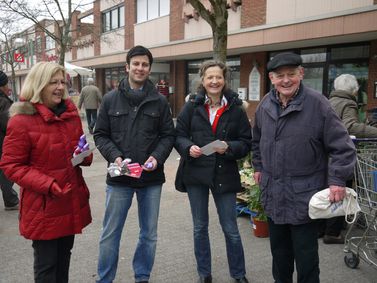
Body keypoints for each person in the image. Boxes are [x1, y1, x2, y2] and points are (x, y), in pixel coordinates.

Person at [251, 52, 356, 283]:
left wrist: (337, 179)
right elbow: (256, 141)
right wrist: (258, 166)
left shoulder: (318, 104)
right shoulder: (264, 106)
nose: (286, 80)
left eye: (291, 74)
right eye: (280, 76)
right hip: (274, 195)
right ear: (271, 78)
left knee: (307, 260)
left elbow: (343, 147)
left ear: (301, 73)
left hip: (304, 197)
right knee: (280, 257)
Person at [0, 62, 93, 283]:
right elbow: (11, 165)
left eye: (63, 82)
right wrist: (48, 184)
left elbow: (81, 153)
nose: (60, 87)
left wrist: (84, 154)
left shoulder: (71, 117)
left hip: (70, 201)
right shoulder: (21, 121)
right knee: (47, 267)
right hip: (43, 206)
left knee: (63, 261)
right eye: (54, 82)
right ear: (39, 84)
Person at [94, 45, 175, 283]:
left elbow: (168, 135)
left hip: (150, 179)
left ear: (150, 69)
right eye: (136, 63)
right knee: (110, 234)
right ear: (127, 67)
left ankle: (142, 277)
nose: (140, 68)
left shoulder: (160, 102)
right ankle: (104, 279)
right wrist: (115, 156)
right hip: (120, 177)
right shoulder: (110, 100)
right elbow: (100, 135)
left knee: (149, 235)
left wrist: (157, 158)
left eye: (145, 64)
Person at [175, 60, 251, 283]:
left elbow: (247, 142)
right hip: (196, 173)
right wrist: (188, 147)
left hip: (224, 172)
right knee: (200, 227)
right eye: (210, 77)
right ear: (203, 80)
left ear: (224, 79)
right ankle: (204, 273)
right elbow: (178, 135)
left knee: (230, 228)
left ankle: (238, 274)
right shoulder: (191, 105)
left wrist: (230, 147)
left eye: (218, 77)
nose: (214, 81)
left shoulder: (236, 108)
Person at [320, 74, 377, 244]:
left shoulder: (327, 102)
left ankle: (321, 228)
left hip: (324, 154)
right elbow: (349, 126)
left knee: (327, 191)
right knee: (341, 191)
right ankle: (333, 233)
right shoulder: (349, 102)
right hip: (339, 155)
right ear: (355, 89)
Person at [0, 70, 19, 210]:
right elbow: (8, 125)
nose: (8, 87)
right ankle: (11, 200)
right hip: (2, 145)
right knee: (6, 173)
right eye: (7, 84)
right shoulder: (3, 102)